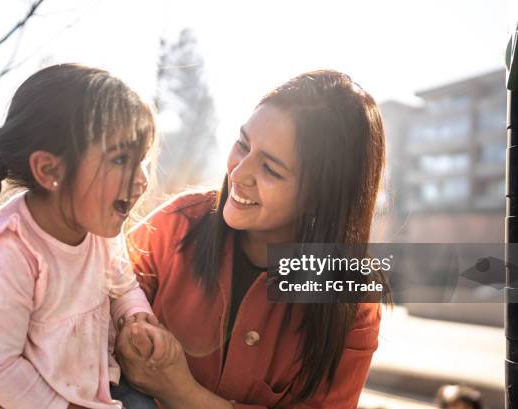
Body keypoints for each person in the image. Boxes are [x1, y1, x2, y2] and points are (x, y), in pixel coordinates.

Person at [117, 70, 387, 409]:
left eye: (271, 169)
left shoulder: (351, 296)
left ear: (324, 196)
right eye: (243, 144)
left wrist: (179, 391)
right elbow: (98, 305)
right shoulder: (177, 225)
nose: (239, 173)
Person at [0, 64, 166, 409]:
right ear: (50, 170)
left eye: (143, 159)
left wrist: (135, 314)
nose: (141, 179)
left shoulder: (98, 230)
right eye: (122, 159)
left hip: (88, 386)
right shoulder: (6, 253)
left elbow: (123, 286)